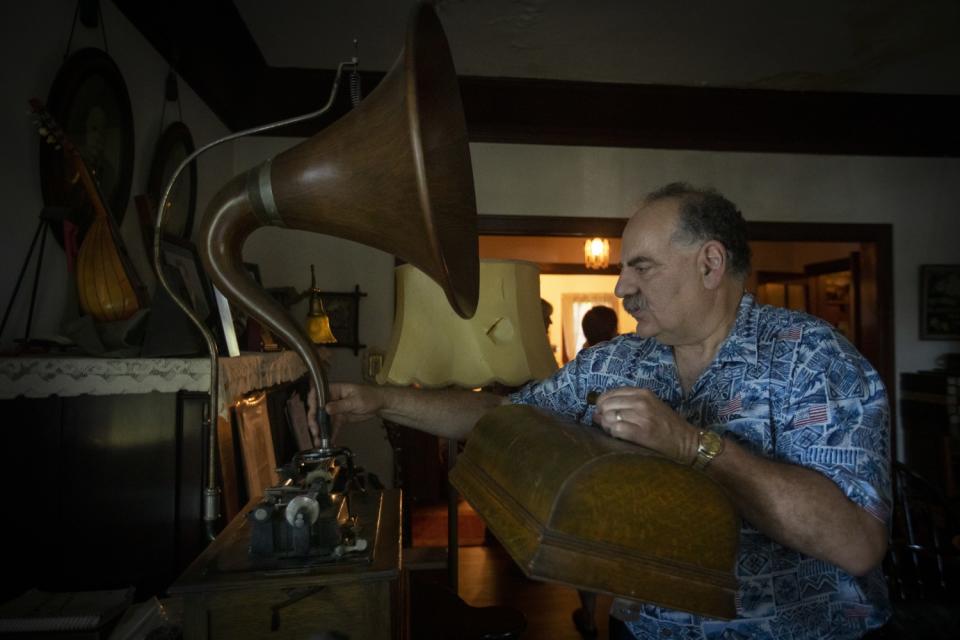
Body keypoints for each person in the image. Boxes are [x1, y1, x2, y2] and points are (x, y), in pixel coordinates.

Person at [317, 182, 891, 639]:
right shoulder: (614, 362)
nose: (620, 288)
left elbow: (858, 546)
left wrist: (693, 447)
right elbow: (502, 415)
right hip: (642, 629)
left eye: (641, 267)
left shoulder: (814, 360)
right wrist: (382, 400)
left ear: (710, 264)